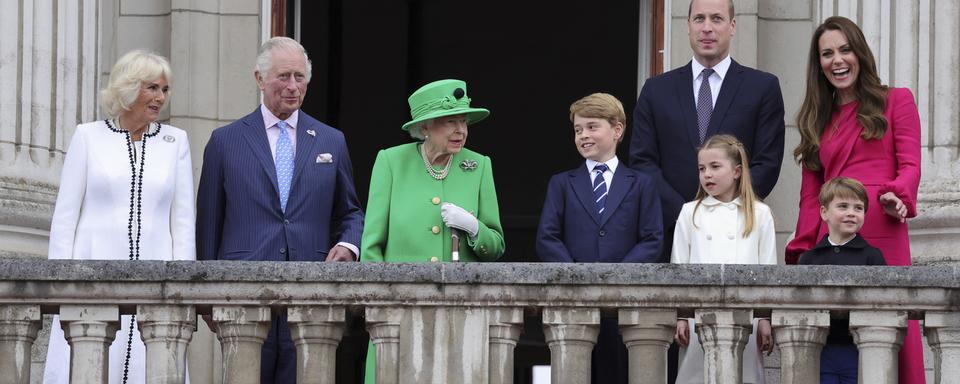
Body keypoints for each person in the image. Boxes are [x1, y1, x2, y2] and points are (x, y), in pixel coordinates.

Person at [196, 36, 364, 383]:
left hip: (310, 294)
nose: (292, 86)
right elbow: (208, 225)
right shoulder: (225, 141)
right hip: (241, 292)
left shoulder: (332, 140)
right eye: (283, 77)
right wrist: (205, 298)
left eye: (299, 77)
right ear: (260, 79)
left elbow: (351, 212)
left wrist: (349, 245)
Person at [784, 15, 924, 383]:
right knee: (834, 341)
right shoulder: (817, 118)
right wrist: (801, 250)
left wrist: (900, 195)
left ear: (859, 53)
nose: (837, 60)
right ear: (819, 65)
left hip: (882, 222)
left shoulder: (896, 100)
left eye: (845, 50)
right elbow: (810, 196)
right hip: (831, 237)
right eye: (827, 54)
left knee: (891, 331)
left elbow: (910, 163)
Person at [45, 50, 194, 384]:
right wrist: (57, 285)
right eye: (152, 88)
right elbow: (65, 217)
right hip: (90, 279)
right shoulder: (88, 137)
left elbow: (183, 223)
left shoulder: (175, 142)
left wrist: (185, 290)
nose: (160, 97)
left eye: (165, 90)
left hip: (157, 286)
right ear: (128, 89)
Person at [360, 79, 505, 382]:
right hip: (400, 311)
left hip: (460, 313)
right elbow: (372, 245)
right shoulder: (391, 162)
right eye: (450, 122)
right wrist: (382, 304)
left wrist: (475, 228)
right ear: (425, 127)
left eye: (464, 122)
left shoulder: (479, 166)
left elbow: (496, 246)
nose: (460, 130)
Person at [630, 0, 785, 263]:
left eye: (717, 19)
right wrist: (687, 214)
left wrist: (724, 211)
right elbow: (643, 162)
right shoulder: (656, 90)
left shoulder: (762, 87)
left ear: (732, 26)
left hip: (737, 236)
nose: (707, 28)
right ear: (688, 26)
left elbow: (766, 163)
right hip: (670, 233)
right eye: (699, 19)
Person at [536, 93, 662, 383]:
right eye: (578, 130)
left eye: (592, 127)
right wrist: (576, 275)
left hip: (624, 307)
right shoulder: (562, 183)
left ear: (617, 130)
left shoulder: (642, 183)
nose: (583, 136)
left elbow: (652, 239)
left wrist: (616, 275)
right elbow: (547, 237)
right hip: (575, 303)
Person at [671, 134, 776, 384]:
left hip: (746, 316)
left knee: (744, 376)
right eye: (702, 168)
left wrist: (764, 319)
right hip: (699, 317)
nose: (707, 174)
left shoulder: (760, 214)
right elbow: (678, 268)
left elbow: (768, 271)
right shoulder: (690, 212)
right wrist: (681, 316)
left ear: (737, 171)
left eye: (715, 167)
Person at [798, 177, 884, 384]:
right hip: (820, 349)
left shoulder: (872, 256)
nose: (851, 213)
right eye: (843, 206)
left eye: (858, 208)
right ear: (824, 212)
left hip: (857, 348)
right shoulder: (809, 258)